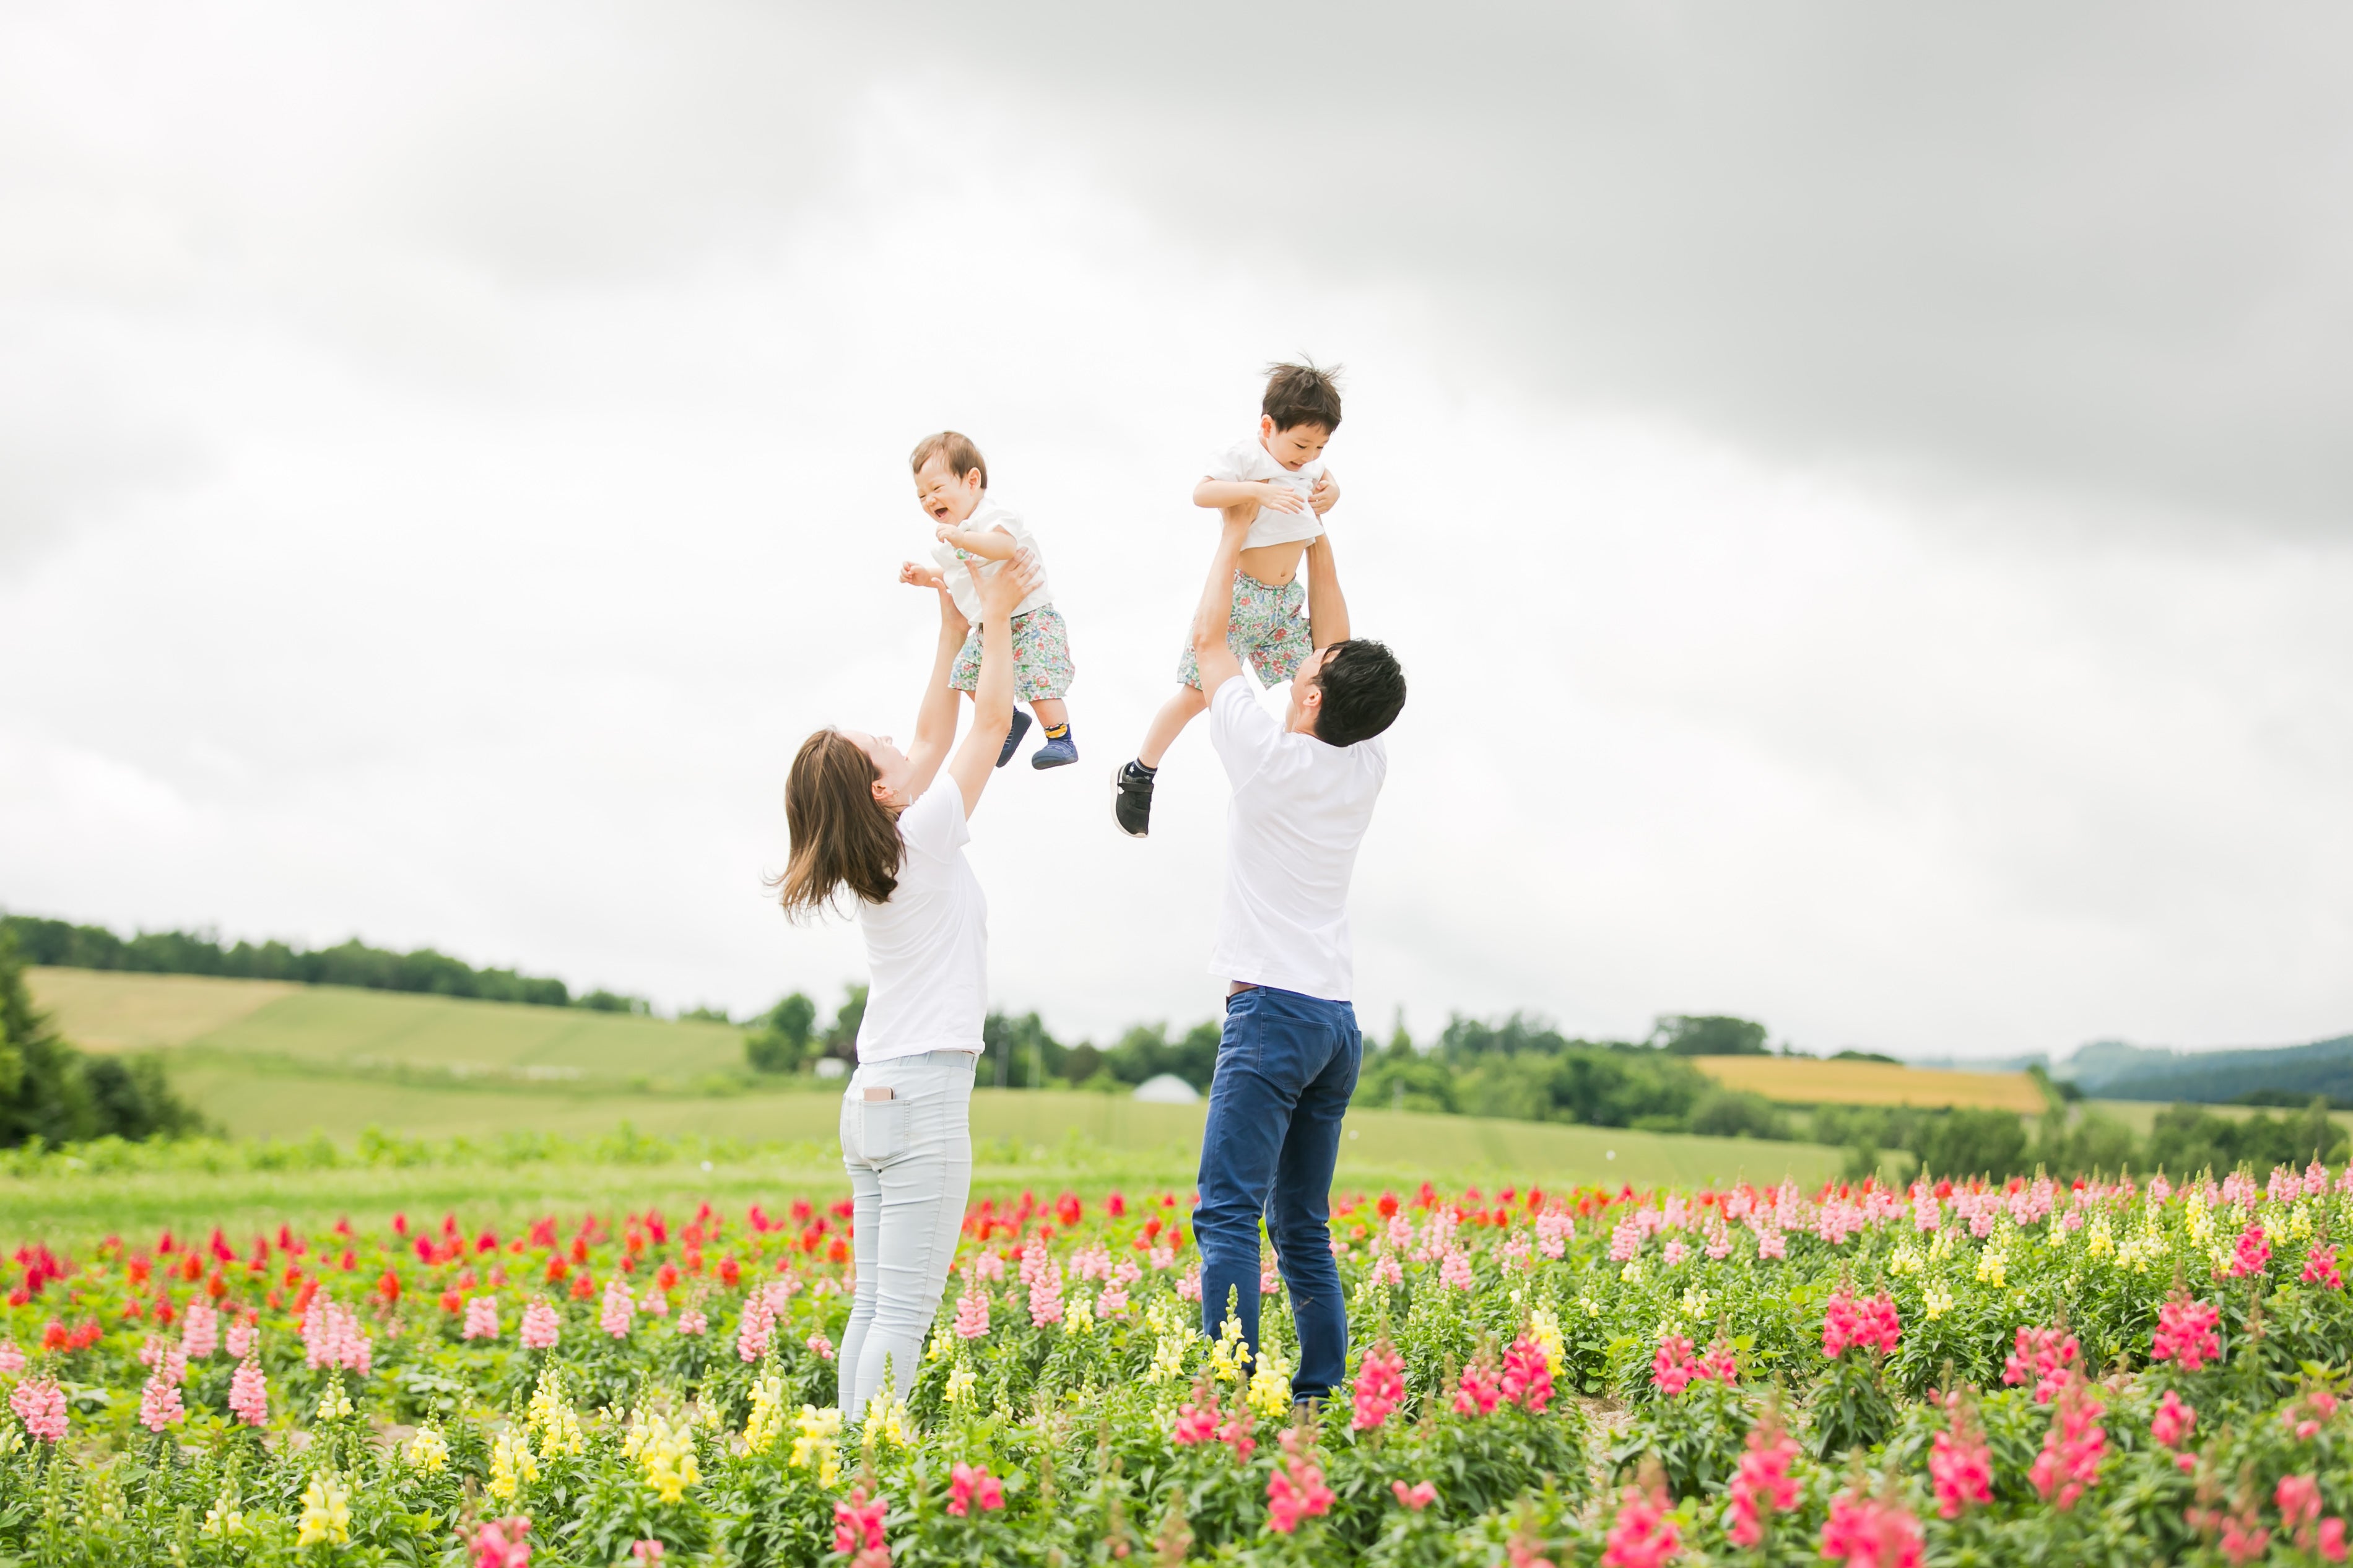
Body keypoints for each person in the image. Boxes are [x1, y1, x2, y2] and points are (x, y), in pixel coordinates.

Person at [776, 541, 1041, 1420]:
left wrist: (950, 620)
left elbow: (932, 735)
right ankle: (871, 1470)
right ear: (882, 789)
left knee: (873, 1302)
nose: (895, 737)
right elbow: (987, 726)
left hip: (871, 1096)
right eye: (877, 742)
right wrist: (998, 613)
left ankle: (850, 1454)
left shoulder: (882, 846)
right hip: (922, 1096)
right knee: (903, 1312)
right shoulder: (922, 833)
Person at [1180, 503, 1406, 1406]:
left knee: (1227, 1212)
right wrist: (1314, 530)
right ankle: (1316, 1395)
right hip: (1335, 1022)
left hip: (1270, 1015)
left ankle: (1231, 1401)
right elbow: (1337, 646)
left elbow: (1208, 645)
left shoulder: (1267, 757)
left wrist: (1236, 529)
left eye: (1309, 665)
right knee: (1302, 1225)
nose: (1306, 656)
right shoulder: (1364, 764)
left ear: (1311, 696)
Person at [1112, 362, 1342, 836]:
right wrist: (1256, 491)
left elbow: (1328, 479)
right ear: (1267, 427)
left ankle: (1289, 768)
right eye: (1300, 444)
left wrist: (1333, 490)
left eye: (1319, 446)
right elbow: (1203, 492)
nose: (1308, 456)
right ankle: (1140, 772)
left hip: (1285, 603)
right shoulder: (1246, 457)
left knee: (1311, 688)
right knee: (1197, 695)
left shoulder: (1312, 465)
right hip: (1240, 598)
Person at [899, 430, 1079, 770]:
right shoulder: (955, 539)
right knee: (964, 674)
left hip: (1030, 619)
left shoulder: (993, 515)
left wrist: (963, 537)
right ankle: (1010, 721)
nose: (929, 501)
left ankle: (1060, 738)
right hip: (988, 630)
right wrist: (926, 575)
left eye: (937, 489)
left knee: (1038, 682)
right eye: (921, 495)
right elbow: (958, 572)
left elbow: (1004, 548)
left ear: (971, 481)